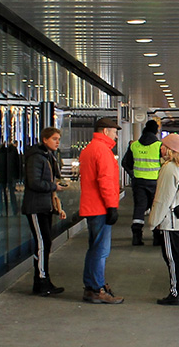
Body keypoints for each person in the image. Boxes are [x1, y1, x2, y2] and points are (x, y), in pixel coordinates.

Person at [79, 117, 124, 304]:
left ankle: (91, 287)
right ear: (105, 131)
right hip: (100, 206)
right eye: (114, 131)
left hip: (91, 206)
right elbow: (105, 181)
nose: (115, 135)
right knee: (101, 251)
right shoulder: (103, 151)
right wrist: (112, 206)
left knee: (94, 248)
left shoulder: (89, 149)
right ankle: (97, 288)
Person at [148, 134, 179, 305]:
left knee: (171, 258)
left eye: (163, 146)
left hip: (170, 221)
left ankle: (174, 293)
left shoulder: (169, 168)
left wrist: (153, 221)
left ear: (169, 149)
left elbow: (163, 198)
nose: (161, 149)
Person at [23, 127, 68, 297]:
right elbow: (34, 182)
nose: (57, 142)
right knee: (42, 243)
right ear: (45, 139)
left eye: (58, 138)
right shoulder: (37, 158)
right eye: (54, 138)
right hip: (36, 206)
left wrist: (56, 207)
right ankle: (41, 280)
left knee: (45, 243)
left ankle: (43, 278)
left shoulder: (47, 157)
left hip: (44, 206)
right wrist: (53, 187)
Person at [121, 120, 162, 246]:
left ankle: (137, 237)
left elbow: (125, 163)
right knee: (156, 209)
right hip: (156, 183)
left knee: (139, 208)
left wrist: (133, 174)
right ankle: (156, 237)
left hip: (138, 182)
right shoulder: (159, 146)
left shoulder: (134, 146)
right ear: (156, 130)